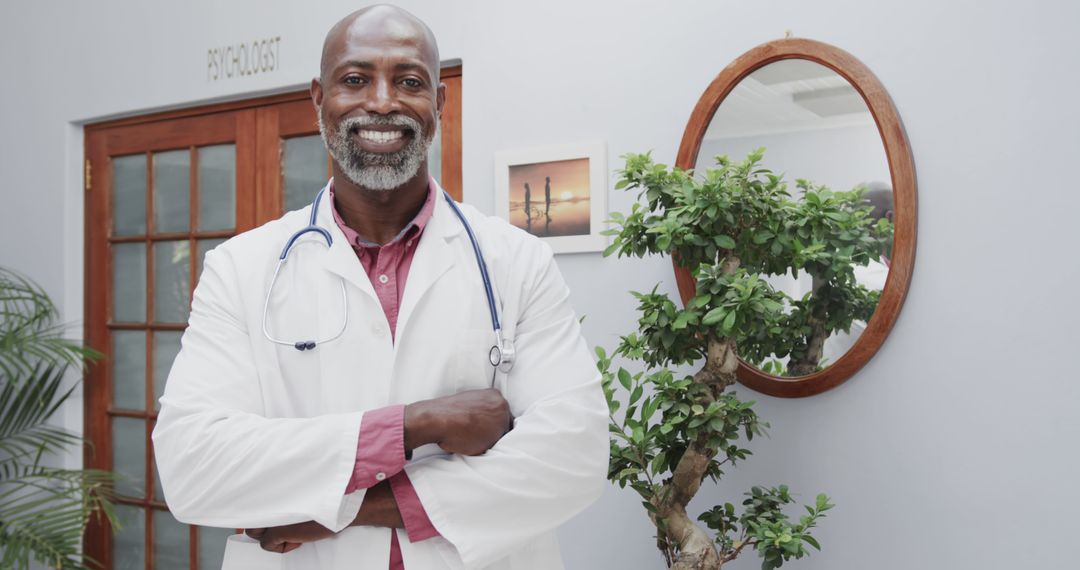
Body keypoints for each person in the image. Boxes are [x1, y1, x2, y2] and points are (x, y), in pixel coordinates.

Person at [151, 6, 608, 570]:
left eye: (409, 81)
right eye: (355, 79)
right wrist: (421, 423)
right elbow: (193, 468)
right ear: (319, 98)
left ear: (439, 103)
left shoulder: (517, 263)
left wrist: (342, 509)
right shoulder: (239, 268)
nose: (384, 101)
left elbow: (572, 459)